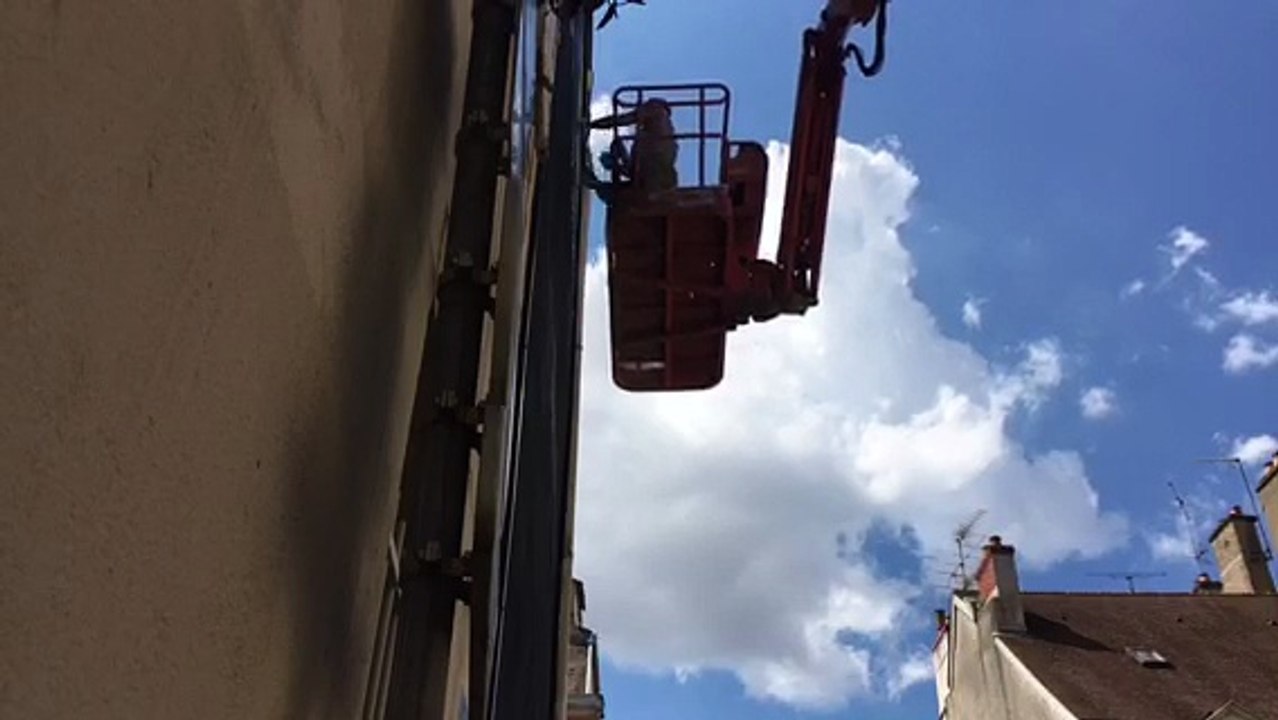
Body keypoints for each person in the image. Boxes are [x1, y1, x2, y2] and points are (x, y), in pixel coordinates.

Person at [589, 98, 679, 199]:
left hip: (649, 173)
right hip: (659, 178)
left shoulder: (655, 110)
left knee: (620, 189)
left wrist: (592, 125)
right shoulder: (668, 134)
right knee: (618, 146)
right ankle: (601, 183)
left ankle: (599, 183)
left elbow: (622, 120)